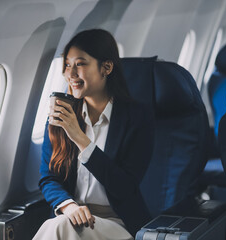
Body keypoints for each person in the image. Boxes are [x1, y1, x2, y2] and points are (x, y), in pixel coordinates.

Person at [33, 29, 155, 240]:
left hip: (118, 222)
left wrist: (80, 138)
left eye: (80, 64)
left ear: (106, 67)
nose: (71, 74)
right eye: (67, 65)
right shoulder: (61, 113)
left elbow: (124, 187)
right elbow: (49, 177)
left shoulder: (137, 118)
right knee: (61, 225)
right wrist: (68, 205)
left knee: (59, 228)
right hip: (71, 216)